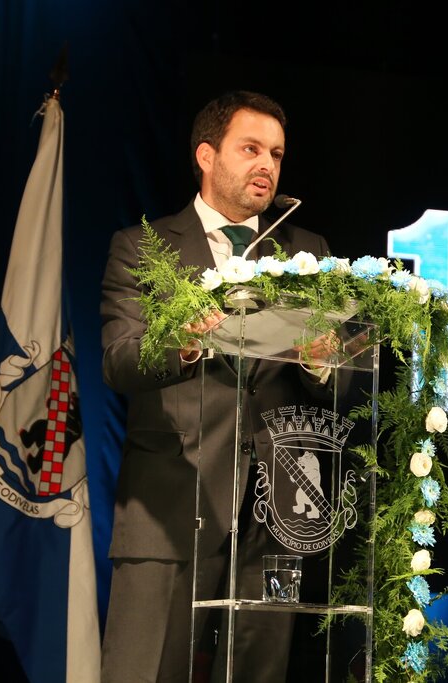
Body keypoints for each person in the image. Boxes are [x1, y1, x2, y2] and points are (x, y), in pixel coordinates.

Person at [99, 90, 335, 682]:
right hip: (171, 503)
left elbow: (341, 392)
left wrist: (321, 363)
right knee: (144, 670)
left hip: (277, 511)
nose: (267, 166)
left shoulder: (307, 254)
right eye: (250, 149)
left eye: (276, 154)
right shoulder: (142, 247)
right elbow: (119, 361)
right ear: (206, 156)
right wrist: (181, 343)